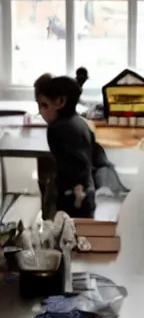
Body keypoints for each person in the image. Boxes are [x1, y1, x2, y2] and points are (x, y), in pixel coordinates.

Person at [34, 74, 96, 218]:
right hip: (87, 192)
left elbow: (69, 166)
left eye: (44, 105)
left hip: (73, 198)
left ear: (60, 102)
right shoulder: (80, 122)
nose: (42, 112)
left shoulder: (56, 129)